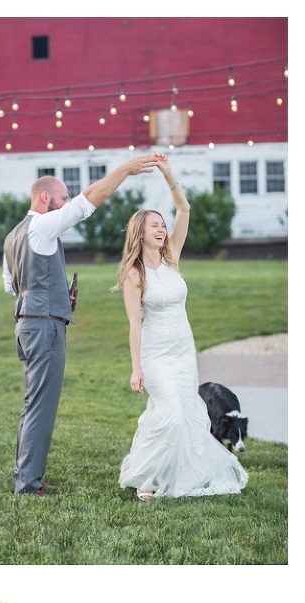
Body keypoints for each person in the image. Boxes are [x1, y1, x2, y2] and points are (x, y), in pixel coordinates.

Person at [3, 153, 160, 496]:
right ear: (45, 198)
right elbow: (86, 202)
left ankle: (28, 476)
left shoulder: (13, 236)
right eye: (60, 198)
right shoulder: (43, 225)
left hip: (28, 324)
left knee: (34, 404)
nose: (64, 204)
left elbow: (13, 285)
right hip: (44, 329)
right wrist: (125, 171)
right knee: (41, 406)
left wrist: (59, 296)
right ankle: (28, 485)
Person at [113, 153, 248, 501]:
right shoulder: (134, 274)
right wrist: (136, 368)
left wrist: (168, 173)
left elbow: (184, 210)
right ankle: (146, 476)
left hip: (183, 350)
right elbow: (133, 323)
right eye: (154, 225)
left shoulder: (171, 255)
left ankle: (177, 473)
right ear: (139, 233)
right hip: (156, 353)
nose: (161, 229)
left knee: (188, 414)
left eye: (162, 224)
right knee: (169, 415)